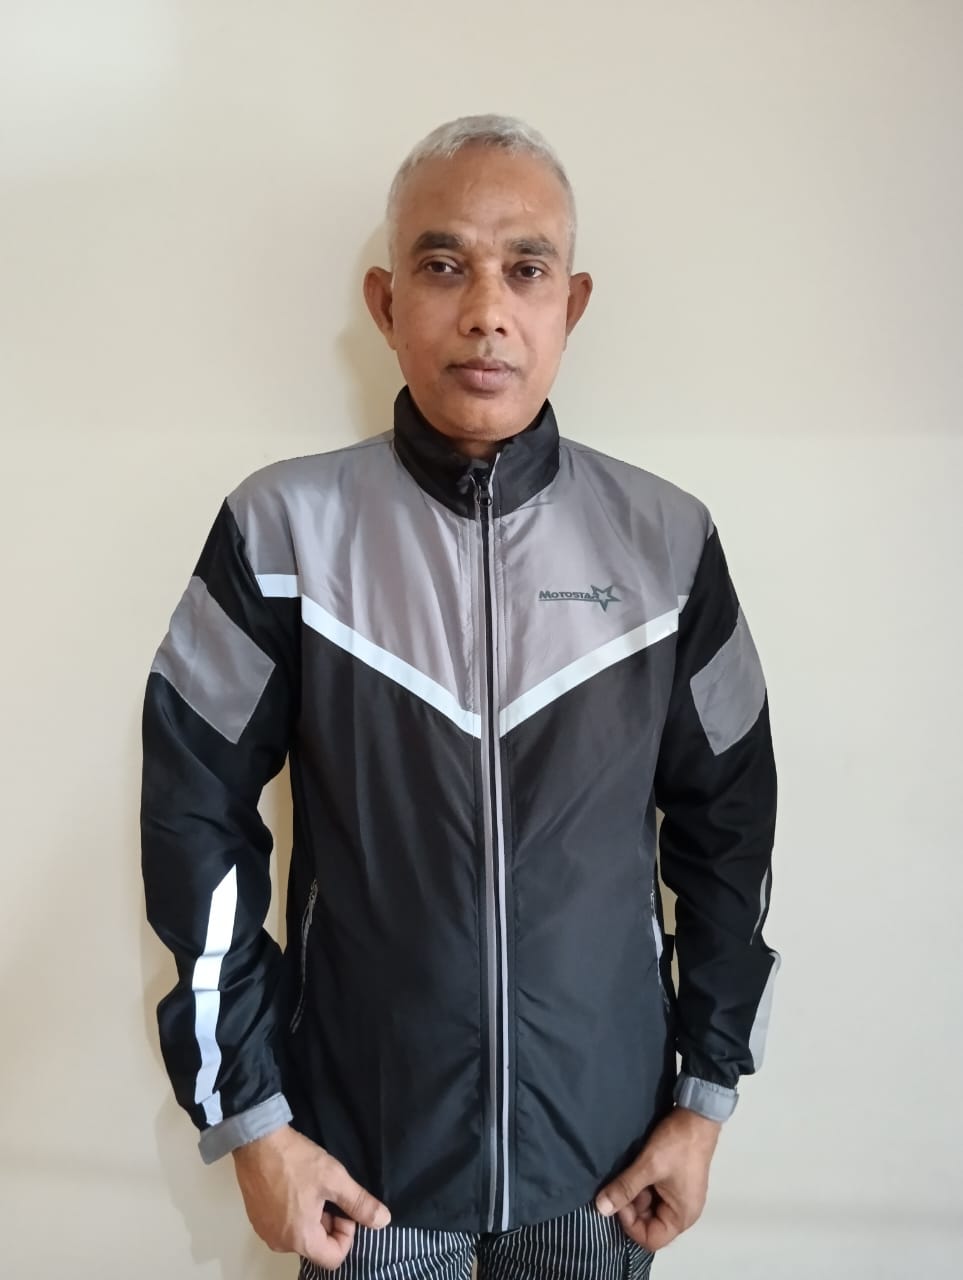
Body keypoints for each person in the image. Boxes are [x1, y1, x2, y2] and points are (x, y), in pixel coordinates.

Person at [141, 114, 779, 1279]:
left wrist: (703, 1100)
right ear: (386, 304)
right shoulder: (279, 533)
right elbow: (194, 823)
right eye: (444, 266)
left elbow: (731, 833)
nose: (487, 310)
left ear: (571, 305)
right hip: (363, 1166)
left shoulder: (670, 547)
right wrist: (252, 1119)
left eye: (526, 270)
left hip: (607, 1164)